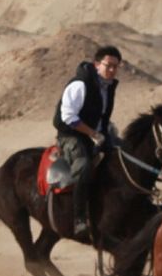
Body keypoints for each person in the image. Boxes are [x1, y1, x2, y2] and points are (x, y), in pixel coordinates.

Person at [52, 45, 122, 240]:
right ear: (97, 64)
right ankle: (79, 219)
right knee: (83, 166)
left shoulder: (108, 87)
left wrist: (104, 133)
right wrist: (92, 133)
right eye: (108, 65)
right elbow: (67, 117)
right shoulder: (81, 84)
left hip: (97, 134)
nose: (112, 70)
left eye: (116, 67)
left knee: (128, 156)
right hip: (71, 135)